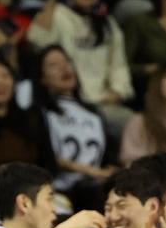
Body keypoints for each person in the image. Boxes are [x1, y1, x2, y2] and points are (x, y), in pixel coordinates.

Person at [26, 0, 133, 130]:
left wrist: (118, 91)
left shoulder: (108, 22)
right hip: (69, 103)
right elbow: (37, 42)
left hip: (105, 102)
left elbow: (119, 65)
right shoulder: (58, 14)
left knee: (137, 125)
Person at [26, 45, 111, 208]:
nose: (64, 68)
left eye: (66, 62)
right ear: (42, 78)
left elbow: (107, 157)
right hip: (56, 190)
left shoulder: (94, 113)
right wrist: (91, 172)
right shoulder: (39, 113)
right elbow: (46, 156)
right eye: (53, 65)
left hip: (93, 187)